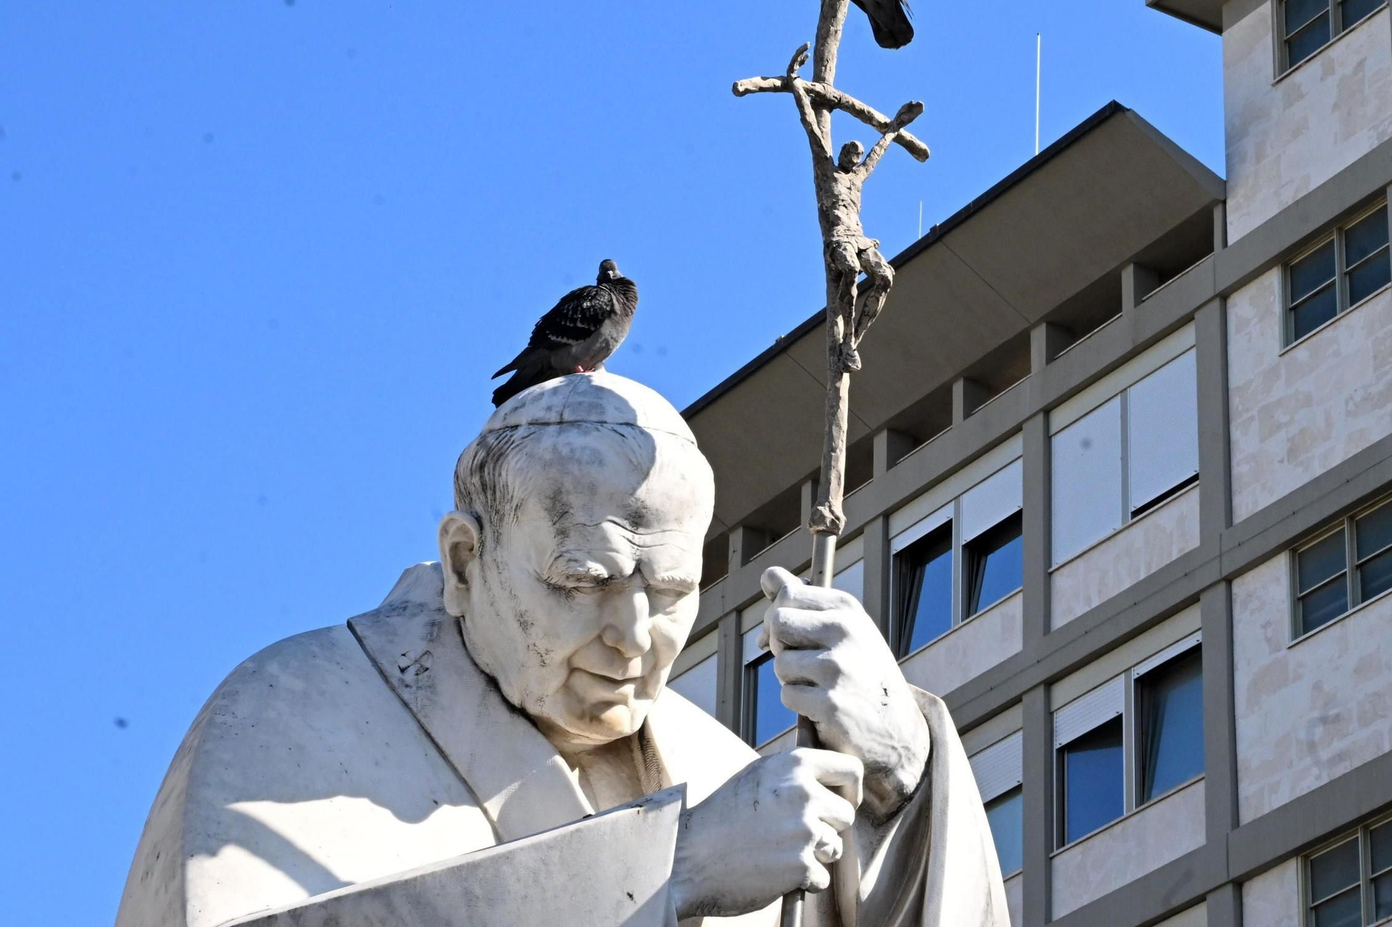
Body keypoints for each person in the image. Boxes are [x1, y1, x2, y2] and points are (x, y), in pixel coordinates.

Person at [116, 372, 1008, 926]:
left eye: (668, 592)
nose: (631, 636)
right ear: (466, 560)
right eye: (582, 583)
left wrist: (902, 779)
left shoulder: (726, 776)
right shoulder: (295, 713)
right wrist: (675, 867)